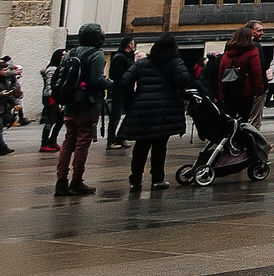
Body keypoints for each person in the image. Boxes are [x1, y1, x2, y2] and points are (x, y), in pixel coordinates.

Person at [114, 36, 188, 189]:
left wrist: (134, 98)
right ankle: (157, 179)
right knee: (160, 147)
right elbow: (184, 82)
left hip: (142, 109)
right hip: (165, 110)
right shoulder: (176, 63)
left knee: (141, 146)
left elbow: (125, 82)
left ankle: (135, 180)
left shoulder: (142, 63)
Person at [52, 23, 110, 196]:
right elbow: (96, 80)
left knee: (68, 142)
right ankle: (77, 180)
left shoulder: (71, 52)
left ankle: (61, 182)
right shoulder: (97, 54)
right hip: (88, 104)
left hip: (69, 102)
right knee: (82, 143)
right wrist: (111, 83)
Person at [106, 37, 137, 148]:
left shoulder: (127, 57)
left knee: (130, 114)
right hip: (120, 91)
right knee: (116, 116)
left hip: (127, 91)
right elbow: (120, 76)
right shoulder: (119, 57)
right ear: (129, 45)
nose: (134, 45)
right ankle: (111, 140)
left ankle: (121, 136)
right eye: (133, 43)